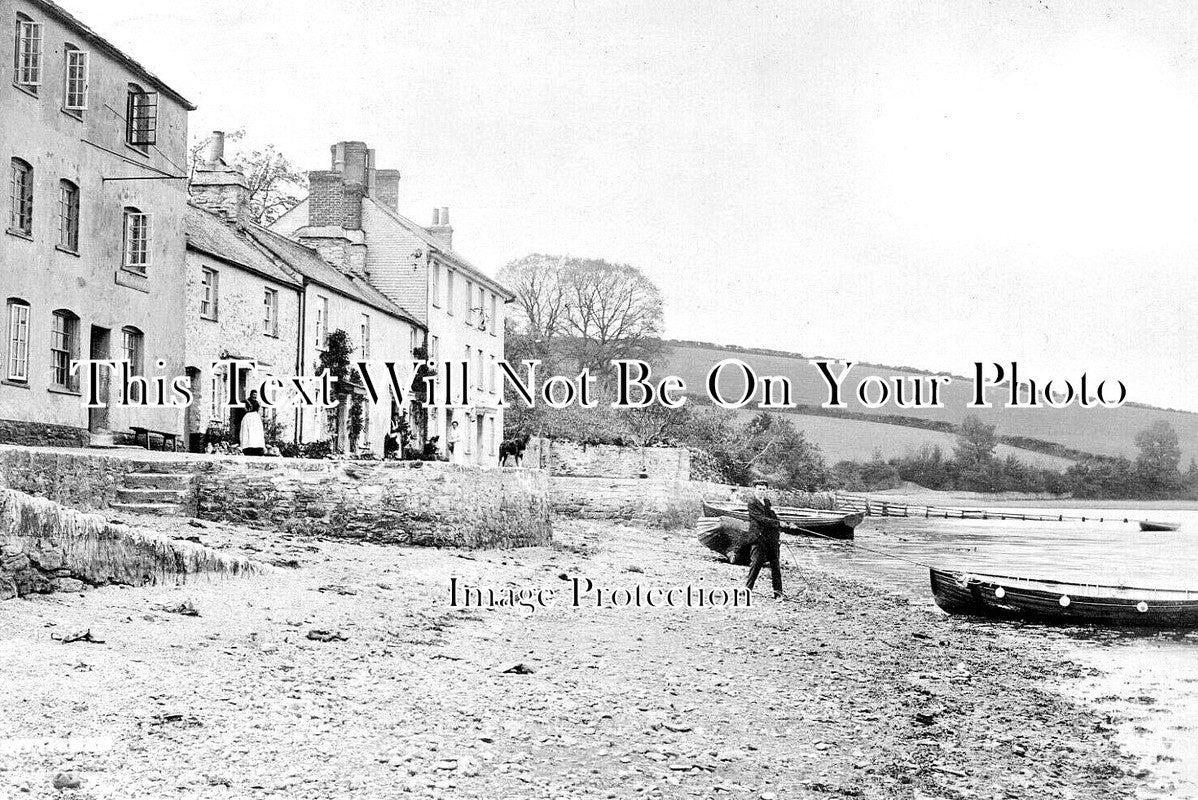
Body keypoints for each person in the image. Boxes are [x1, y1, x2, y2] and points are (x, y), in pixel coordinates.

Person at [745, 480, 784, 599]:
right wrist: (777, 523)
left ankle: (778, 592)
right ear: (755, 490)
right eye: (759, 489)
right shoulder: (752, 503)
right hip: (758, 537)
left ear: (766, 490)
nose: (761, 491)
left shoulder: (767, 502)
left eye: (763, 489)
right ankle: (747, 590)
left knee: (775, 564)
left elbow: (771, 516)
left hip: (771, 538)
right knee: (756, 564)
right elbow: (761, 519)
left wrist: (785, 523)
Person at [239, 390, 265, 456]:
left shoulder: (257, 403)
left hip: (256, 418)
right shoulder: (246, 401)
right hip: (248, 418)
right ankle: (247, 447)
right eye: (253, 395)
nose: (255, 396)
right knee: (248, 432)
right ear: (250, 394)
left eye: (256, 395)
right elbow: (243, 410)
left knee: (256, 432)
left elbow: (258, 410)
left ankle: (257, 447)